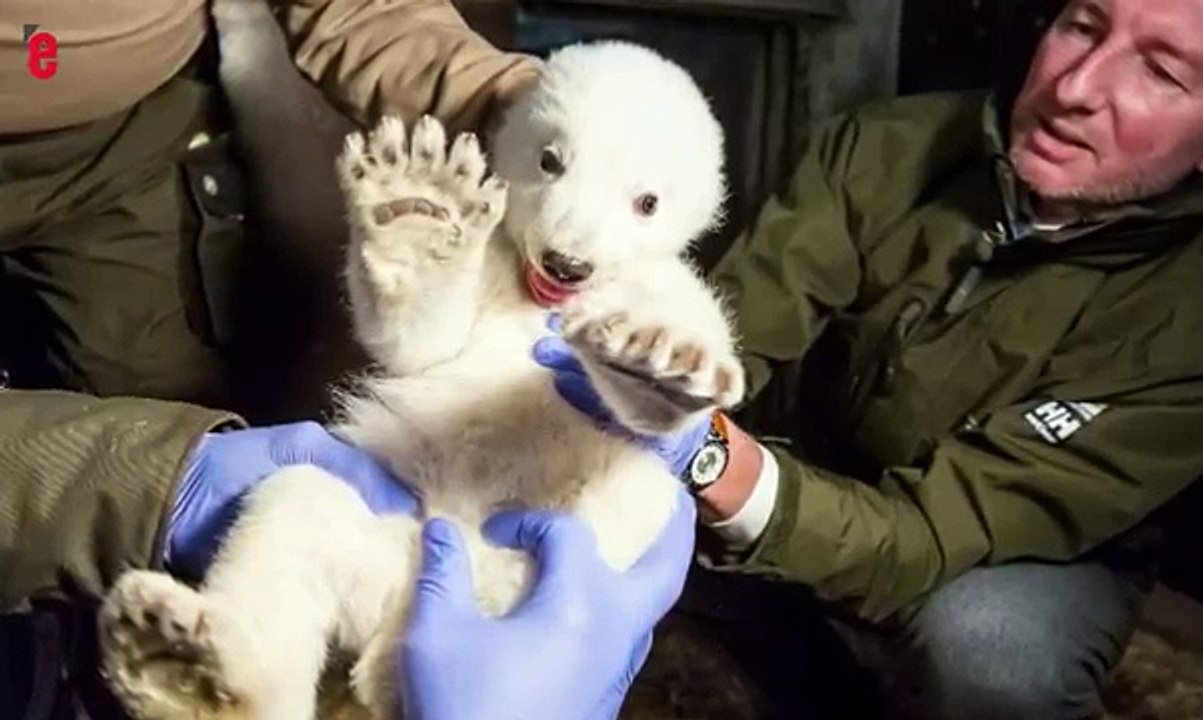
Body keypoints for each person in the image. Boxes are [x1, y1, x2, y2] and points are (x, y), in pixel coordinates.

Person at [536, 0, 1203, 717]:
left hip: (1006, 544)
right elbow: (737, 330)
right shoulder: (886, 146)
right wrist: (648, 387)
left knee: (996, 652)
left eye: (1161, 71)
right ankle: (820, 697)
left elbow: (924, 534)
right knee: (627, 501)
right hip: (826, 457)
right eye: (1084, 25)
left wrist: (707, 458)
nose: (1075, 88)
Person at [0, 1, 693, 718]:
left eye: (641, 203)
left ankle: (223, 676)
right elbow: (414, 342)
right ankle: (243, 679)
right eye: (556, 169)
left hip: (131, 131)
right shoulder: (493, 232)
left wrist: (519, 108)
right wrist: (159, 484)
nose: (572, 240)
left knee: (204, 426)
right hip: (425, 522)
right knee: (296, 501)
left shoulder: (651, 283)